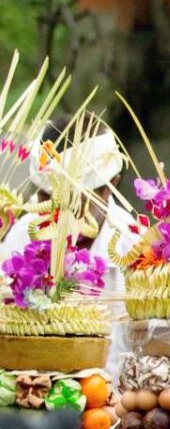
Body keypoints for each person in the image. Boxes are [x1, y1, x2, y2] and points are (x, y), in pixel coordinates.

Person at [0, 114, 139, 376]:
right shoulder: (20, 236)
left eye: (76, 200)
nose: (61, 213)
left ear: (111, 185)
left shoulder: (134, 246)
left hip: (114, 410)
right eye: (48, 198)